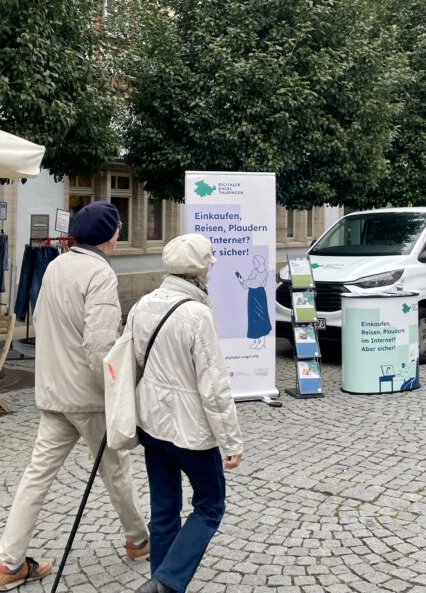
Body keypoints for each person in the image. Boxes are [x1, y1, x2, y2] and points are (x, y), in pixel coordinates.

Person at [0, 201, 150, 592]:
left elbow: (43, 322)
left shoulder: (56, 265)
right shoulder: (99, 273)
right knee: (116, 469)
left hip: (53, 390)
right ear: (111, 236)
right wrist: (118, 390)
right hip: (88, 396)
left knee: (36, 477)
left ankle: (10, 562)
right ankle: (138, 539)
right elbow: (100, 345)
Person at [126, 234, 243, 593]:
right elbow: (214, 384)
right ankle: (166, 581)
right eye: (208, 264)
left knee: (164, 510)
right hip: (189, 429)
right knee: (210, 505)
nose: (210, 269)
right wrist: (231, 441)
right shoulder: (197, 314)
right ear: (198, 269)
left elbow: (130, 363)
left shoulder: (142, 304)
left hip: (151, 422)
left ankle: (160, 582)